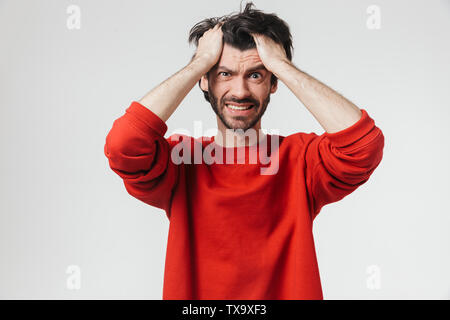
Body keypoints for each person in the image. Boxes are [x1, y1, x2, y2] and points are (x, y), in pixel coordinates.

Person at [104, 2, 384, 299]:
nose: (239, 91)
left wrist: (282, 65)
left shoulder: (300, 160)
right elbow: (123, 145)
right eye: (224, 74)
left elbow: (364, 146)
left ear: (274, 83)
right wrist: (198, 64)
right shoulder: (180, 163)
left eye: (255, 75)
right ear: (204, 81)